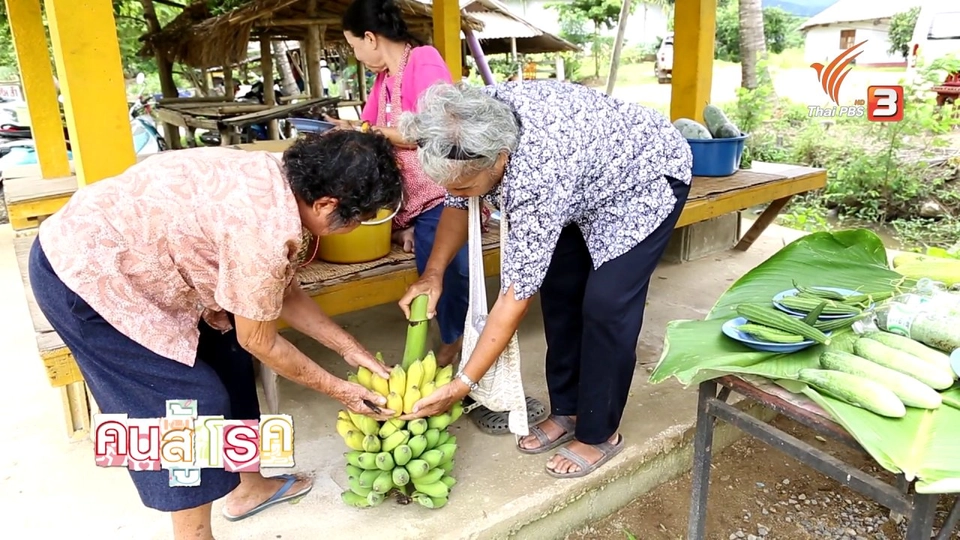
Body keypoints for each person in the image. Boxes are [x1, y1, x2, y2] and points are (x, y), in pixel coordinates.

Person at [28, 130, 403, 540]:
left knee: (228, 356)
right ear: (326, 204)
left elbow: (281, 292)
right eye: (360, 218)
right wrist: (339, 389)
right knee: (185, 407)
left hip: (139, 261)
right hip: (84, 276)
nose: (360, 226)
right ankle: (193, 535)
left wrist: (349, 348)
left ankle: (249, 488)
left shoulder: (282, 176)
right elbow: (261, 340)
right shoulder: (262, 230)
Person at [397, 81, 693, 478]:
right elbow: (457, 198)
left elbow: (515, 294)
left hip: (641, 177)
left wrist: (465, 382)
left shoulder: (535, 173)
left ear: (500, 159)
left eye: (468, 186)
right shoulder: (465, 121)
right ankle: (568, 410)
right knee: (560, 290)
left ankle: (598, 432)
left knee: (606, 304)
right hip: (581, 176)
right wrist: (433, 275)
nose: (460, 194)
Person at [328, 0, 547, 435]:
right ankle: (452, 360)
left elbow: (434, 133)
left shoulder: (422, 61)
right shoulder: (382, 80)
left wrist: (366, 132)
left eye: (354, 45)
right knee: (436, 281)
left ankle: (467, 370)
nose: (356, 55)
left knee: (461, 287)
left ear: (370, 38)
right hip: (423, 200)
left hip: (445, 192)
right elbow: (376, 132)